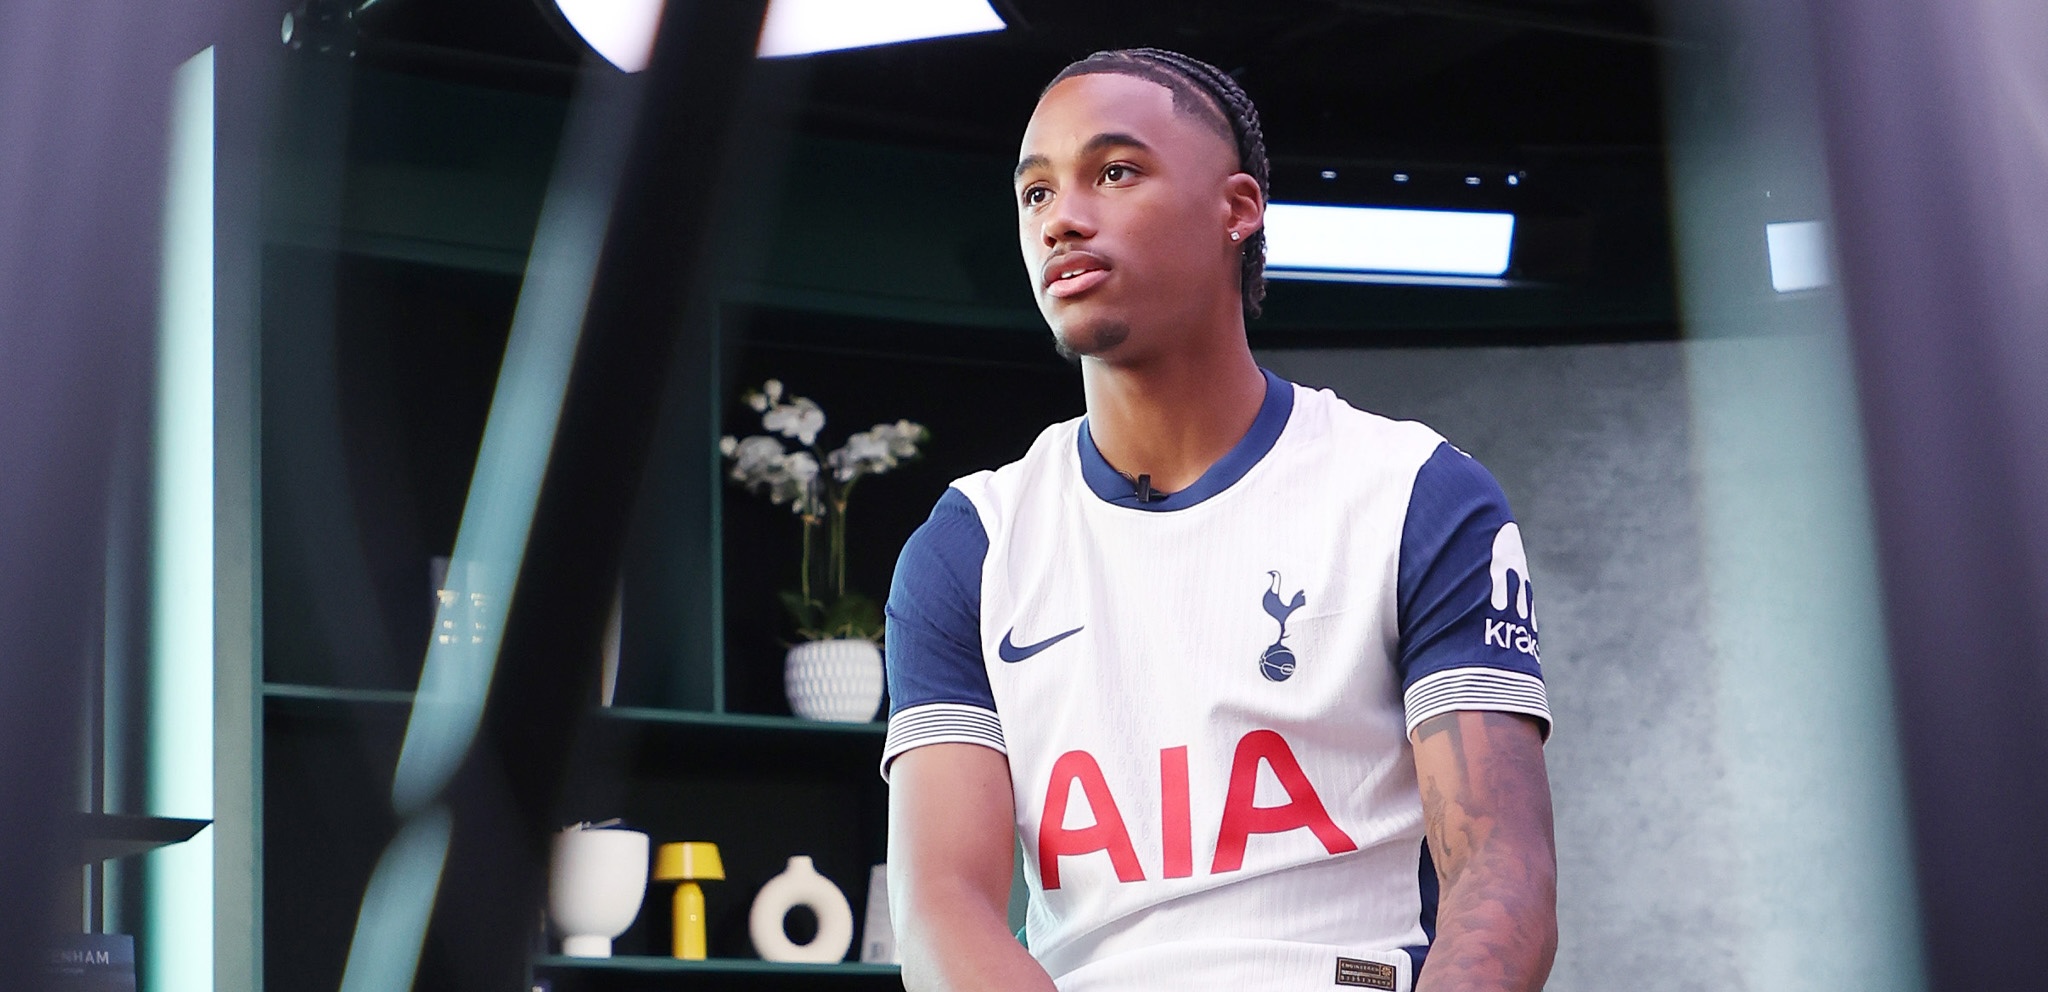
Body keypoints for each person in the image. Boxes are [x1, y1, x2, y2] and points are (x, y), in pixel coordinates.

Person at [881, 47, 1556, 992]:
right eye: (1036, 192)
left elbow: (1501, 872)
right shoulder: (971, 544)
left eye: (1115, 172)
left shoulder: (1414, 490)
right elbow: (940, 904)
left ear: (1238, 208)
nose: (1062, 217)